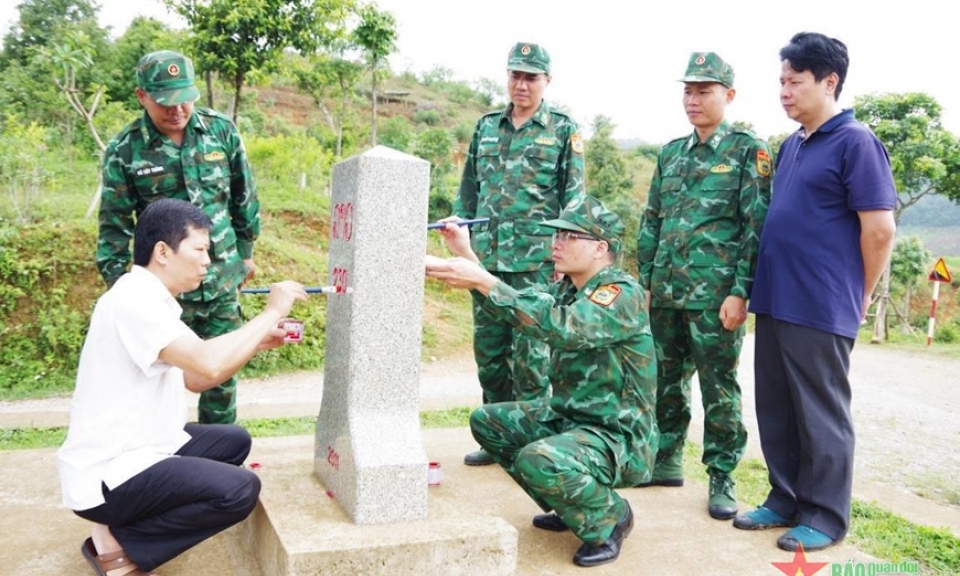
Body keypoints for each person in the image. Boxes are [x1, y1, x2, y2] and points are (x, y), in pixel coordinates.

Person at [59, 198, 307, 576]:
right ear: (162, 251)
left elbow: (197, 378)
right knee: (238, 490)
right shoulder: (135, 301)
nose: (207, 261)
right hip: (110, 471)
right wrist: (272, 312)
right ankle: (120, 543)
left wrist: (255, 341)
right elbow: (207, 362)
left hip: (140, 446)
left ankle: (125, 526)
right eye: (200, 249)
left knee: (233, 441)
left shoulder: (153, 300)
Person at [426, 196, 657, 567]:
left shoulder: (620, 293)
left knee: (538, 459)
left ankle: (610, 516)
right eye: (556, 235)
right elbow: (516, 305)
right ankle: (574, 506)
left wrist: (482, 280)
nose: (557, 243)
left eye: (569, 236)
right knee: (489, 421)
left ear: (601, 247)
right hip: (571, 419)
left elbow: (564, 327)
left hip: (618, 436)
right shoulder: (567, 288)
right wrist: (468, 258)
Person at [733, 32, 896, 552]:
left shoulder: (856, 142)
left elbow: (879, 230)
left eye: (795, 82)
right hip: (777, 298)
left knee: (820, 411)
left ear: (830, 82)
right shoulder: (792, 145)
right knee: (777, 406)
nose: (784, 91)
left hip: (822, 303)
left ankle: (824, 515)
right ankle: (785, 498)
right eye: (781, 81)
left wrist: (861, 293)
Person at [635, 51, 772, 520]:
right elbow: (652, 219)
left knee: (719, 387)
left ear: (728, 95)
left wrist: (741, 290)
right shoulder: (671, 153)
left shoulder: (747, 151)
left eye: (704, 90)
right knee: (665, 382)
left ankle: (721, 475)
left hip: (716, 298)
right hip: (667, 293)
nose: (692, 99)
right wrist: (646, 281)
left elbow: (756, 227)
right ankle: (666, 458)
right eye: (688, 90)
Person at [96, 49, 261, 425]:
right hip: (164, 292)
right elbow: (114, 226)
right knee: (159, 380)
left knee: (220, 376)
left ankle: (218, 462)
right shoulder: (124, 151)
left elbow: (244, 195)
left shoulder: (221, 131)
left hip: (219, 278)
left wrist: (246, 253)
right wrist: (120, 289)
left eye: (184, 99)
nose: (177, 111)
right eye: (165, 102)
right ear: (141, 96)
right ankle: (160, 459)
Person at [454, 41, 586, 466]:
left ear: (547, 81)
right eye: (516, 75)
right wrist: (461, 235)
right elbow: (469, 188)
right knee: (490, 355)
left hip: (536, 266)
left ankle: (532, 443)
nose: (521, 84)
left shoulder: (563, 129)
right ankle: (496, 436)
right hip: (486, 261)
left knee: (532, 361)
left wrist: (565, 260)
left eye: (531, 76)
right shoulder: (487, 127)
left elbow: (575, 201)